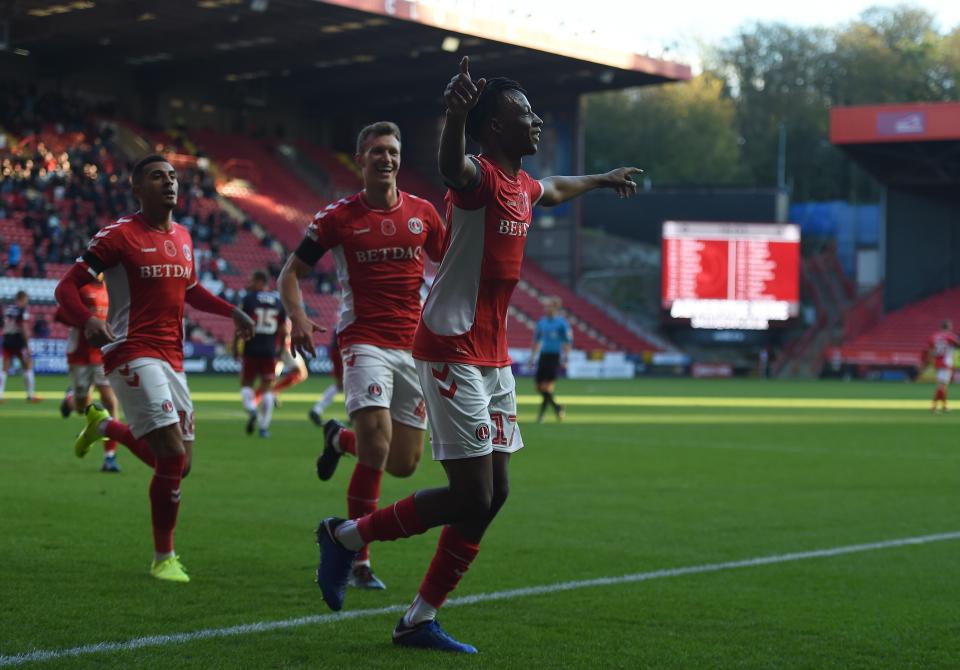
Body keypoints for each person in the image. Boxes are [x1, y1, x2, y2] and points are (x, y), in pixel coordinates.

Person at [313, 57, 641, 653]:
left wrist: (600, 178)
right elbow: (450, 164)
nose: (537, 121)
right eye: (524, 114)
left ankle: (417, 619)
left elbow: (556, 189)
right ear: (495, 128)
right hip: (449, 349)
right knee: (471, 496)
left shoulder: (521, 186)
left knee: (497, 494)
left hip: (492, 356)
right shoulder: (479, 178)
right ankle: (346, 536)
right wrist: (456, 115)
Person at [55, 154, 255, 583]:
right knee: (171, 454)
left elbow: (192, 290)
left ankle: (105, 427)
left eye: (172, 177)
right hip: (130, 349)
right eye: (157, 177)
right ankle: (164, 557)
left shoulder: (183, 236)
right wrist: (87, 319)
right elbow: (66, 286)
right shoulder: (118, 236)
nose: (168, 183)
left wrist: (231, 311)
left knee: (179, 465)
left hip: (173, 357)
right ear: (137, 189)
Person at [279, 121, 447, 590]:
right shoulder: (338, 217)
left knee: (403, 464)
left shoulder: (424, 214)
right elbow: (289, 274)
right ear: (361, 159)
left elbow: (450, 266)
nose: (386, 158)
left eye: (392, 150)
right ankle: (358, 558)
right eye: (376, 151)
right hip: (363, 340)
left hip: (413, 347)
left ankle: (337, 439)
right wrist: (297, 315)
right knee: (376, 449)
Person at [56, 274, 122, 472]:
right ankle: (70, 400)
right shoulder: (80, 288)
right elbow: (59, 314)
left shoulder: (112, 289)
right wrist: (86, 320)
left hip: (103, 353)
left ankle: (109, 456)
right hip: (80, 355)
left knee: (110, 400)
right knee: (81, 407)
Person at [236, 270, 286, 438]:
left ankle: (251, 410)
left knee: (246, 384)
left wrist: (237, 347)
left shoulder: (249, 298)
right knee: (267, 390)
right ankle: (264, 428)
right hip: (269, 350)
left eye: (252, 280)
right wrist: (279, 350)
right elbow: (284, 330)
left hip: (251, 349)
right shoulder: (278, 301)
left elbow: (240, 326)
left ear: (259, 281)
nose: (249, 283)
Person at [528, 296, 572, 422]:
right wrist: (532, 358)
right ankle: (557, 407)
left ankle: (540, 416)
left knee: (546, 387)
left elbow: (567, 342)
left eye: (548, 306)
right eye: (545, 306)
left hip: (554, 357)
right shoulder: (541, 322)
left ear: (555, 308)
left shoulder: (562, 323)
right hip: (543, 356)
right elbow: (536, 341)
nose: (545, 309)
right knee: (538, 387)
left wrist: (566, 359)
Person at [1, 290, 41, 403]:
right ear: (21, 299)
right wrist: (27, 344)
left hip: (7, 339)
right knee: (27, 366)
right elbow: (23, 327)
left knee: (4, 368)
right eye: (25, 300)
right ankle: (30, 394)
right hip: (19, 341)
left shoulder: (8, 309)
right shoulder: (22, 310)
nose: (26, 302)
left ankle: (0, 394)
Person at [925, 319, 960, 413]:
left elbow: (931, 350)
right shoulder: (950, 336)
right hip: (946, 363)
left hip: (937, 362)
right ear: (949, 326)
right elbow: (958, 344)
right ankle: (934, 407)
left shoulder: (934, 336)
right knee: (941, 386)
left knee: (943, 386)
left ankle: (944, 406)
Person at [308, 332, 343, 426]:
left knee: (343, 385)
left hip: (338, 349)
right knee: (345, 385)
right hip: (342, 350)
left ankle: (317, 409)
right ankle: (316, 409)